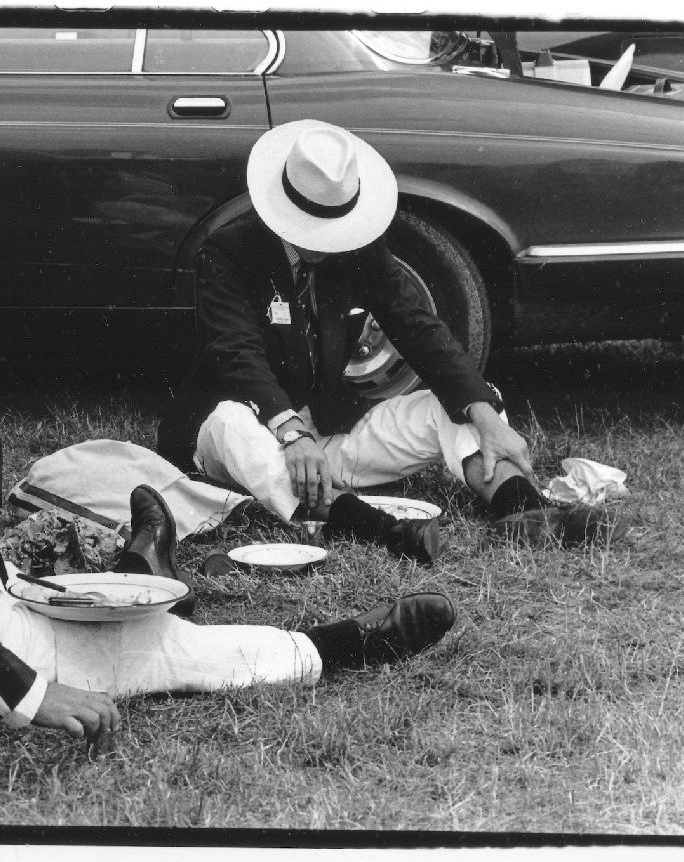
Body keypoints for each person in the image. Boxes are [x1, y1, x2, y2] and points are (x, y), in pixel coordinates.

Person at [0, 222, 457, 757]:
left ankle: (140, 572)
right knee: (157, 650)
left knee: (117, 610)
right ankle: (337, 647)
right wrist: (29, 695)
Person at [157, 120, 621, 562]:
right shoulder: (227, 252)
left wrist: (487, 417)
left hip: (325, 433)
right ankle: (380, 529)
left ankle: (522, 509)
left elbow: (420, 328)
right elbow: (235, 354)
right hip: (240, 436)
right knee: (232, 424)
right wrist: (290, 431)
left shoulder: (358, 246)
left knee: (461, 403)